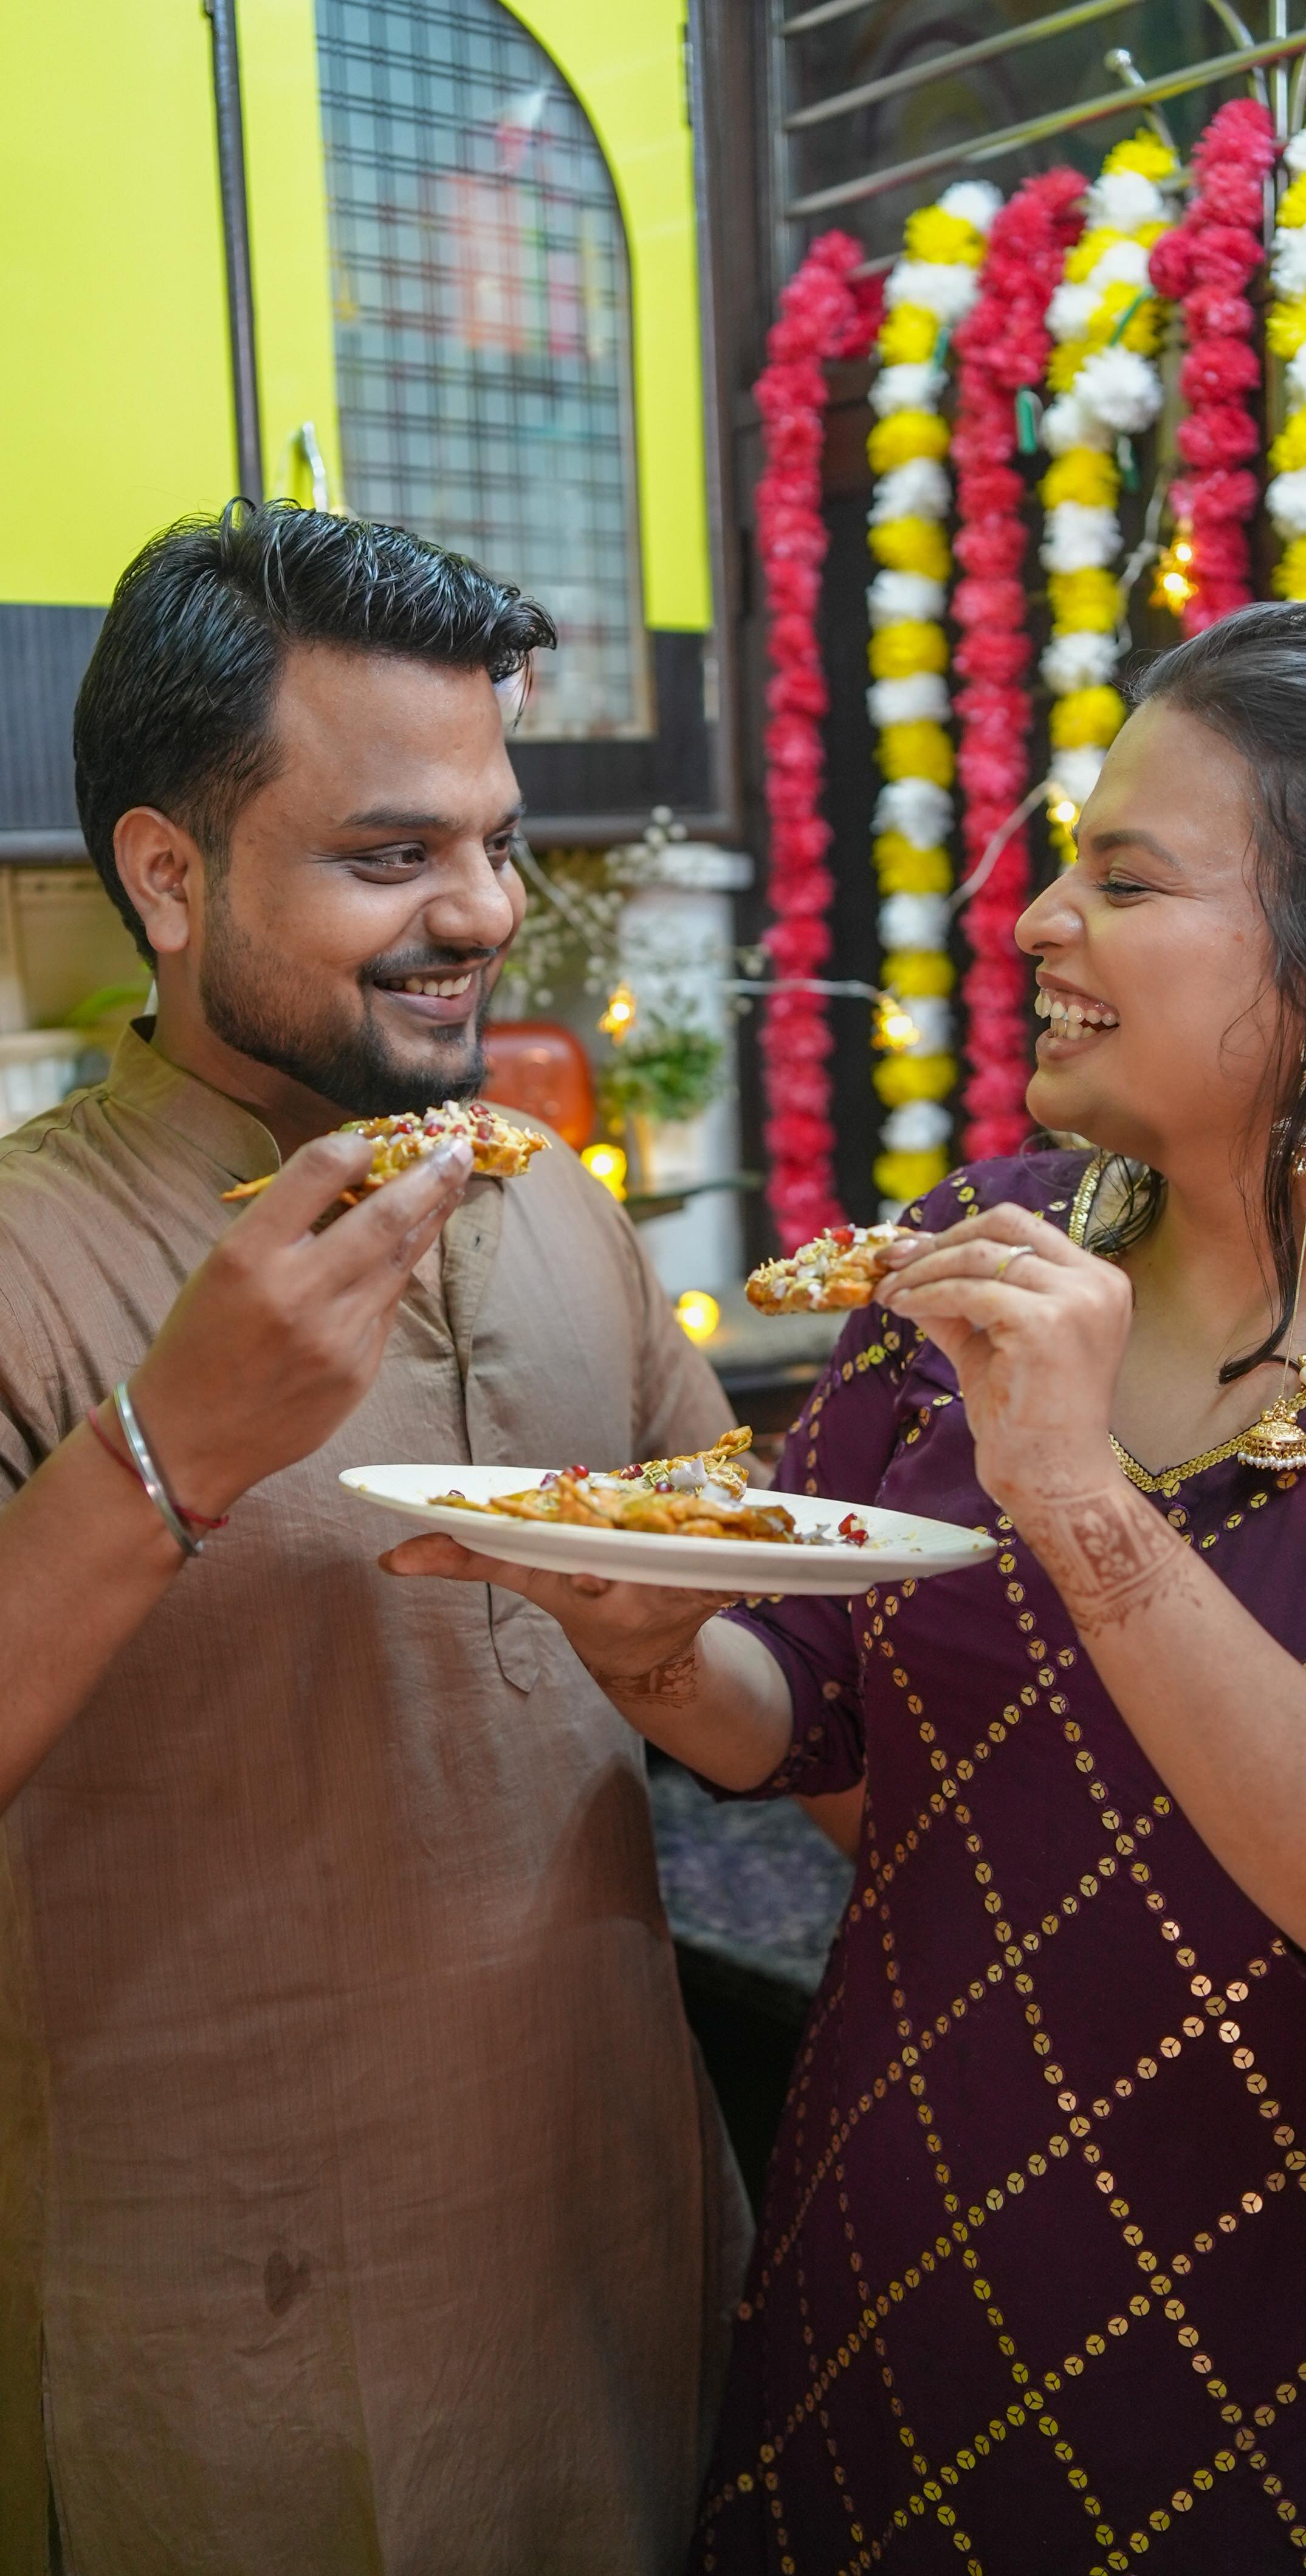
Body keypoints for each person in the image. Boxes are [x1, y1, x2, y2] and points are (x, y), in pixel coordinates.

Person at [391, 600, 1306, 2574]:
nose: (1036, 919)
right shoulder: (986, 1242)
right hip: (899, 2256)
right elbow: (829, 1717)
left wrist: (1074, 1490)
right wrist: (647, 1645)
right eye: (1060, 860)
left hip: (1299, 2357)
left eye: (1122, 880)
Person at [0, 501, 746, 2576]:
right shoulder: (28, 1254)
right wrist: (169, 1453)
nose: (479, 911)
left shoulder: (548, 1202)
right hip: (216, 2348)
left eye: (493, 844)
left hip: (620, 2252)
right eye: (389, 855)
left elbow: (741, 1606)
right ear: (167, 872)